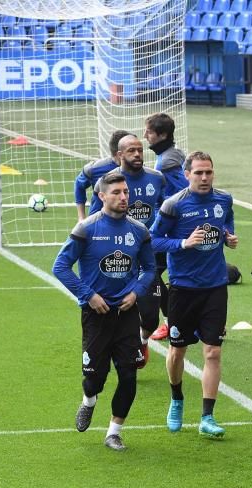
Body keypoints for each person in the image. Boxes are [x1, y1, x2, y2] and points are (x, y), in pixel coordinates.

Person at [52, 173, 155, 451]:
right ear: (101, 196)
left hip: (127, 314)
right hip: (96, 315)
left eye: (126, 192)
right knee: (94, 379)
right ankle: (89, 401)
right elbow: (60, 266)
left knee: (129, 375)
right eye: (117, 193)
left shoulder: (139, 231)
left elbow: (150, 268)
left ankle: (114, 432)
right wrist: (89, 295)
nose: (123, 197)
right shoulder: (86, 229)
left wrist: (136, 292)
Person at [150, 151, 238, 439]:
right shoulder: (173, 205)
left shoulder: (223, 200)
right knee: (177, 351)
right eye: (198, 172)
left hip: (215, 287)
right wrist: (183, 243)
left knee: (212, 351)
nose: (204, 177)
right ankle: (176, 399)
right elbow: (154, 241)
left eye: (208, 172)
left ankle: (207, 416)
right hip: (183, 288)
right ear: (187, 175)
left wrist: (229, 237)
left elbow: (227, 224)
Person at [91, 134, 167, 369]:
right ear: (119, 155)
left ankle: (143, 341)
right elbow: (96, 217)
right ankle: (116, 350)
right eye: (131, 150)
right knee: (115, 310)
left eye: (140, 149)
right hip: (118, 258)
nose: (137, 154)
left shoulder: (156, 178)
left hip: (147, 256)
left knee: (151, 317)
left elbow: (166, 209)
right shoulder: (107, 184)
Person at [144, 112, 188, 342]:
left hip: (175, 227)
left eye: (149, 132)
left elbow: (184, 192)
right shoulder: (171, 155)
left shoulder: (166, 162)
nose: (145, 136)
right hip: (177, 225)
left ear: (162, 135)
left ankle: (170, 321)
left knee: (152, 272)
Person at [74, 130, 130, 221]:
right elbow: (78, 185)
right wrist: (81, 217)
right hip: (98, 226)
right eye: (131, 149)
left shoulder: (139, 170)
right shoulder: (95, 168)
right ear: (119, 153)